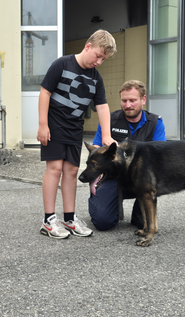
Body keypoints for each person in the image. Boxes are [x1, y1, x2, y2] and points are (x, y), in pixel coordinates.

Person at [37, 29, 117, 239]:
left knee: (71, 171)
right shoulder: (62, 64)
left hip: (74, 128)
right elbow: (45, 92)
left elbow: (102, 106)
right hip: (54, 126)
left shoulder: (96, 78)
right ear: (88, 46)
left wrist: (107, 135)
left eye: (103, 59)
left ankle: (70, 219)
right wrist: (43, 125)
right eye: (98, 56)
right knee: (54, 170)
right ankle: (48, 220)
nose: (99, 62)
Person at [88, 80, 166, 231]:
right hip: (112, 178)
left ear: (143, 100)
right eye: (124, 101)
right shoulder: (109, 120)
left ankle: (140, 208)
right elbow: (95, 150)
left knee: (142, 224)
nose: (128, 105)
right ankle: (97, 198)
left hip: (141, 180)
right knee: (104, 223)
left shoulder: (155, 123)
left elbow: (160, 157)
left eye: (132, 100)